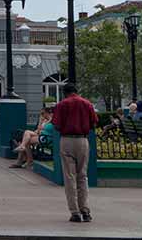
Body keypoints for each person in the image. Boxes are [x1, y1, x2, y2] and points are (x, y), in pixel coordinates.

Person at [52, 83, 98, 223]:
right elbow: (94, 122)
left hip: (66, 140)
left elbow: (56, 124)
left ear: (64, 92)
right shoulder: (87, 103)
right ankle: (85, 210)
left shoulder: (62, 104)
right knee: (82, 176)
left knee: (69, 177)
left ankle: (75, 212)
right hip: (82, 140)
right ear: (76, 91)